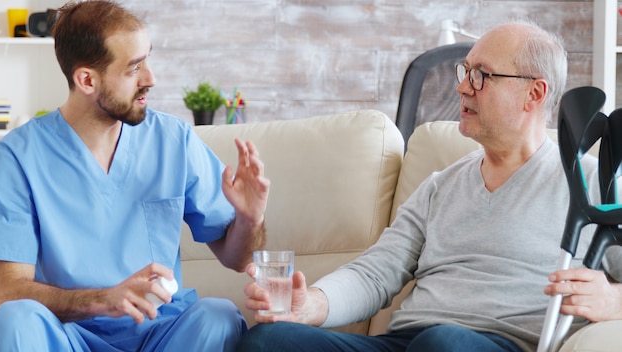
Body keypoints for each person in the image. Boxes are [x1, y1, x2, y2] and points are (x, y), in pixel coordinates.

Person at [236, 21, 622, 352]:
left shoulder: (591, 183)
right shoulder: (442, 185)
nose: (462, 88)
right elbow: (375, 273)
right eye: (465, 71)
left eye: (481, 75)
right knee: (268, 341)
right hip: (408, 342)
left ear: (533, 94)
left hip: (488, 344)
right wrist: (310, 305)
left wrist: (613, 299)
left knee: (443, 344)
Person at [0, 1, 270, 351]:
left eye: (147, 60)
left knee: (219, 316)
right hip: (67, 336)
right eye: (134, 68)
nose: (150, 79)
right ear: (87, 80)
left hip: (161, 334)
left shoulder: (174, 141)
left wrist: (250, 218)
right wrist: (103, 300)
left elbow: (239, 259)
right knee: (16, 319)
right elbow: (7, 290)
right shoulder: (17, 157)